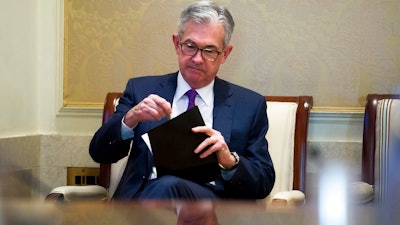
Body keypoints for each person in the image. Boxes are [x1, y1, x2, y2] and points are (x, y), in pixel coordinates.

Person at [89, 0, 275, 200]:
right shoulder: (141, 90)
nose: (197, 59)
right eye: (190, 46)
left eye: (209, 51)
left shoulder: (248, 105)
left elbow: (263, 182)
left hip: (209, 209)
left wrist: (229, 161)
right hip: (142, 203)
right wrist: (130, 119)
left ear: (225, 54)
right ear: (177, 44)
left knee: (169, 185)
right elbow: (100, 153)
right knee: (163, 187)